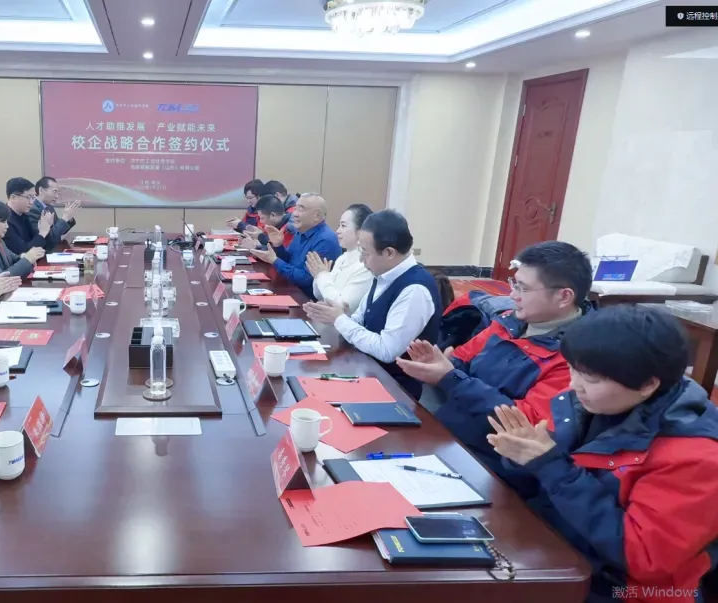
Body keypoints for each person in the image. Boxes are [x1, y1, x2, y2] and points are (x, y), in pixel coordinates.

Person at [485, 305, 718, 603]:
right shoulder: (591, 404)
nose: (573, 384)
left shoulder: (694, 457)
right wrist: (522, 456)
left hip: (625, 589)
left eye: (590, 378)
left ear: (648, 384)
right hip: (561, 549)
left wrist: (550, 466)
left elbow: (643, 558)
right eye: (572, 368)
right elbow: (552, 479)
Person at [396, 241, 593, 474]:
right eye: (514, 284)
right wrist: (440, 365)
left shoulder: (575, 358)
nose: (512, 295)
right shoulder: (509, 321)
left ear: (564, 297)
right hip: (449, 431)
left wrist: (450, 377)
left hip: (490, 462)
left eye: (523, 289)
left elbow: (524, 423)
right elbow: (460, 359)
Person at [304, 210, 441, 400]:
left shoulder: (415, 289)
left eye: (365, 253)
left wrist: (340, 320)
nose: (361, 260)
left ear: (389, 253)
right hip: (365, 370)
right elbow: (359, 320)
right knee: (305, 385)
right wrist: (336, 315)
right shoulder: (384, 274)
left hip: (394, 389)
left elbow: (387, 350)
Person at [249, 193, 342, 299]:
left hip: (308, 299)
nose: (294, 214)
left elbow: (305, 279)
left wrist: (274, 260)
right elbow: (289, 260)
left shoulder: (325, 240)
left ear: (317, 216)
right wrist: (278, 246)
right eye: (295, 208)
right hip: (292, 290)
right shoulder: (301, 231)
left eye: (300, 210)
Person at [307, 203, 374, 313]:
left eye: (343, 226)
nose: (338, 231)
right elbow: (320, 295)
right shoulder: (342, 258)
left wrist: (322, 276)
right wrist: (319, 276)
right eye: (339, 225)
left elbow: (342, 307)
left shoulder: (365, 266)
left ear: (360, 231)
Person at [5, 177, 57, 255]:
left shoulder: (24, 216)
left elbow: (44, 245)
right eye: (28, 197)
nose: (32, 202)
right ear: (14, 197)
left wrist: (46, 229)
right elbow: (24, 252)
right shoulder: (5, 220)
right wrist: (42, 233)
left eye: (33, 197)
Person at [30, 176, 80, 251]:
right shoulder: (33, 209)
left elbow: (58, 231)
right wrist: (65, 218)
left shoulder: (49, 207)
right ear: (41, 190)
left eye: (58, 192)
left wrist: (68, 218)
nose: (57, 196)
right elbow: (51, 239)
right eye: (54, 191)